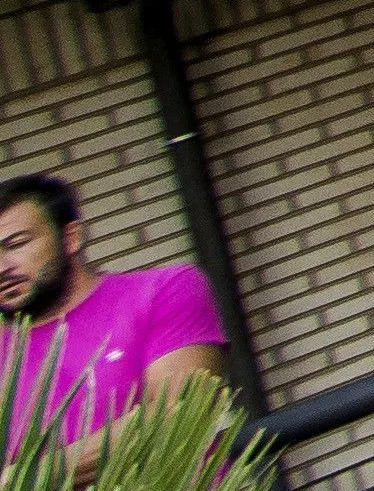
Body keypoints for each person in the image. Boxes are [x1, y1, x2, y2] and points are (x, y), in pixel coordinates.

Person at [0, 176, 228, 463]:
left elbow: (178, 416)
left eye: (16, 244)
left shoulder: (163, 291)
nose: (2, 268)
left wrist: (29, 480)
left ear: (71, 237)